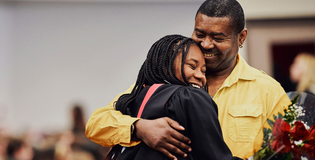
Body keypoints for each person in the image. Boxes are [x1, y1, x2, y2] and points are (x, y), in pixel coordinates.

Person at [85, 0, 291, 159]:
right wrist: (140, 128)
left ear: (241, 37)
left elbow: (288, 149)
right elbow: (96, 124)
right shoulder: (165, 83)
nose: (206, 44)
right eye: (199, 34)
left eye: (218, 38)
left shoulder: (268, 91)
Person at [113, 34, 239, 159]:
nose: (201, 76)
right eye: (192, 66)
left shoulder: (134, 99)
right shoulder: (191, 97)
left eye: (203, 71)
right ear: (166, 65)